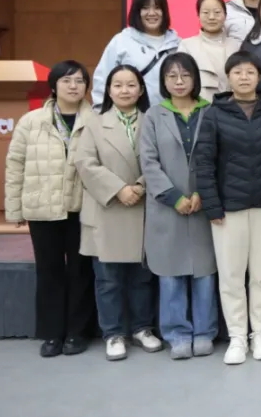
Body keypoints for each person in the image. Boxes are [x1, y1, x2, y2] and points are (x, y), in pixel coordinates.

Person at [196, 51, 261, 365]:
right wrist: (212, 205)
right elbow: (203, 163)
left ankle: (260, 334)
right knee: (231, 275)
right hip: (227, 208)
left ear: (259, 77)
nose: (244, 77)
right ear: (228, 77)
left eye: (250, 72)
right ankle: (236, 336)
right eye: (237, 72)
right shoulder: (214, 113)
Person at [4, 60, 96, 358]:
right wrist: (14, 209)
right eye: (66, 80)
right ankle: (52, 334)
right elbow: (15, 165)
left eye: (80, 81)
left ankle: (77, 332)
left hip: (82, 208)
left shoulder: (96, 119)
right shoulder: (31, 121)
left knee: (81, 271)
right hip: (43, 207)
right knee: (49, 271)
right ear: (54, 86)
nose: (73, 86)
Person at [74, 65, 162, 361]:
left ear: (141, 89)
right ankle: (113, 333)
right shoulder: (94, 124)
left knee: (142, 278)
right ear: (108, 90)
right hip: (108, 208)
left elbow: (163, 160)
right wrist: (119, 189)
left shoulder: (153, 121)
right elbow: (85, 164)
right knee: (108, 280)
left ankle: (142, 328)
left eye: (131, 84)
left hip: (143, 205)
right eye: (118, 85)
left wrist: (140, 186)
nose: (125, 90)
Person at [139, 53, 219, 361]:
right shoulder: (154, 115)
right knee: (170, 272)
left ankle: (205, 332)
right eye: (172, 76)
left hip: (203, 204)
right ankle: (177, 334)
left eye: (185, 75)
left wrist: (202, 193)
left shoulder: (209, 111)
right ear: (163, 81)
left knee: (204, 272)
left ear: (195, 79)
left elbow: (219, 156)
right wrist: (174, 196)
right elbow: (148, 161)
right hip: (167, 206)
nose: (179, 81)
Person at [93, 0, 180, 108]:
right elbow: (102, 80)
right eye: (145, 8)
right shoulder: (121, 41)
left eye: (157, 8)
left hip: (169, 116)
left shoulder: (178, 44)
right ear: (137, 11)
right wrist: (101, 112)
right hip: (130, 115)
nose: (152, 13)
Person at [178, 0, 242, 101]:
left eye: (217, 12)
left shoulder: (236, 45)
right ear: (198, 15)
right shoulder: (187, 46)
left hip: (232, 106)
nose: (212, 17)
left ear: (225, 15)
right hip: (200, 106)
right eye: (206, 13)